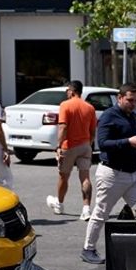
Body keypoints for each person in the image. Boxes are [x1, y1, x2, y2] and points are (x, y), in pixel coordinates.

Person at [80, 84, 136, 264]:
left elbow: (130, 141)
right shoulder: (110, 115)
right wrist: (128, 141)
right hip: (112, 174)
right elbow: (102, 143)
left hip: (133, 175)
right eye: (130, 100)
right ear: (120, 98)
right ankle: (88, 249)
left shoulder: (131, 116)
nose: (134, 104)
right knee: (101, 213)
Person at [46, 80, 97, 220]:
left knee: (63, 176)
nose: (66, 93)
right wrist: (89, 144)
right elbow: (93, 131)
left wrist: (58, 146)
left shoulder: (65, 105)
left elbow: (63, 127)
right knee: (85, 177)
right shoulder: (90, 108)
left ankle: (59, 204)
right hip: (85, 145)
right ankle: (86, 209)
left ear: (72, 91)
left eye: (67, 90)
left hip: (68, 146)